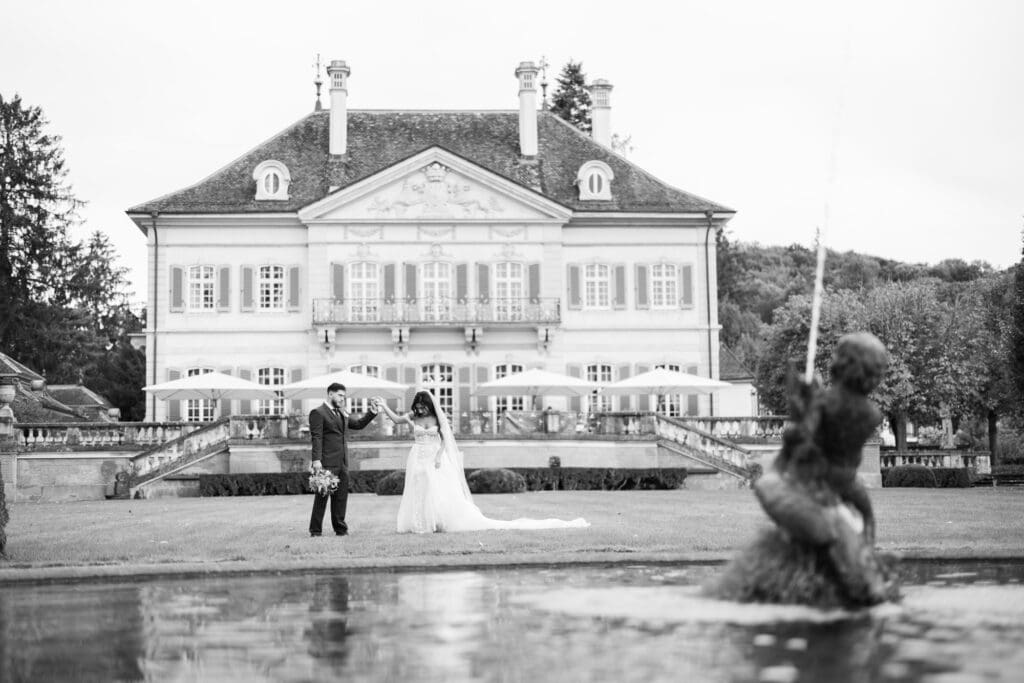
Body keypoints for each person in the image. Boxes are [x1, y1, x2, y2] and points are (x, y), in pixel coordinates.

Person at [372, 390, 589, 534]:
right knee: (418, 489)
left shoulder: (437, 418)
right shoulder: (414, 416)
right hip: (417, 455)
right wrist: (383, 406)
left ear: (428, 405)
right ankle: (420, 523)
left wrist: (439, 457)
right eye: (416, 405)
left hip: (434, 457)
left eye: (421, 405)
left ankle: (436, 521)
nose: (418, 409)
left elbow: (446, 441)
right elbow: (398, 419)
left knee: (437, 491)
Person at [308, 382, 379, 537]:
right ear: (330, 394)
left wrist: (372, 412)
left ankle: (340, 529)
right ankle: (315, 531)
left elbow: (358, 424)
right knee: (322, 498)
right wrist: (316, 461)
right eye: (340, 395)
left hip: (342, 463)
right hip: (326, 462)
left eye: (344, 396)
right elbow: (317, 437)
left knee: (340, 498)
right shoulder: (317, 412)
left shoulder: (342, 413)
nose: (342, 399)